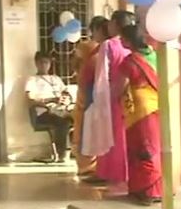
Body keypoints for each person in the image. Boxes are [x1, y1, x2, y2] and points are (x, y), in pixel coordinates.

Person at [88, 10, 135, 185]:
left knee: (109, 135)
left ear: (114, 24)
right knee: (124, 134)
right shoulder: (132, 45)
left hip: (111, 95)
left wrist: (100, 99)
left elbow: (102, 75)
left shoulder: (108, 45)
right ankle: (126, 173)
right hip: (131, 96)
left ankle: (108, 172)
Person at [119, 23, 162, 205]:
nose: (120, 41)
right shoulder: (155, 55)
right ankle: (158, 189)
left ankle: (145, 190)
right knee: (155, 147)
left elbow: (120, 86)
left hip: (139, 108)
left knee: (141, 148)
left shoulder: (129, 61)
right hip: (158, 105)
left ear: (129, 41)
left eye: (122, 38)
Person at [26, 51, 74, 163]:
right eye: (41, 62)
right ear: (36, 63)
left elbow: (66, 93)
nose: (44, 65)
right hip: (44, 112)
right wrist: (51, 100)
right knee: (62, 122)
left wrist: (66, 99)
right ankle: (63, 152)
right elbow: (30, 100)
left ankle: (81, 151)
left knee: (80, 118)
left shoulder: (56, 78)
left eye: (47, 62)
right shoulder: (32, 80)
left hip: (61, 108)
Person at [72, 17, 105, 180]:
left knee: (87, 128)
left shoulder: (87, 47)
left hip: (92, 92)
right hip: (92, 91)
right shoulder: (89, 47)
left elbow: (76, 65)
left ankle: (87, 167)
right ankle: (89, 167)